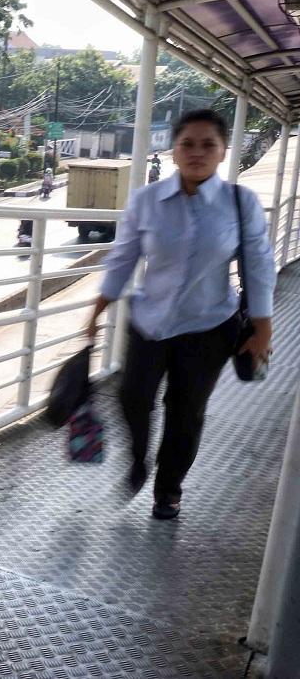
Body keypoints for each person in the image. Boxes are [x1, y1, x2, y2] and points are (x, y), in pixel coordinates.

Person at [85, 108, 276, 520]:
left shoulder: (240, 204)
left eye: (208, 144)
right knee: (132, 398)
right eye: (187, 143)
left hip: (209, 327)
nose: (196, 152)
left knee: (185, 414)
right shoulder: (147, 201)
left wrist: (263, 326)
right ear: (173, 150)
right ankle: (139, 459)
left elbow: (258, 263)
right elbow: (123, 258)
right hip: (149, 322)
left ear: (224, 151)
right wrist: (98, 310)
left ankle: (167, 490)